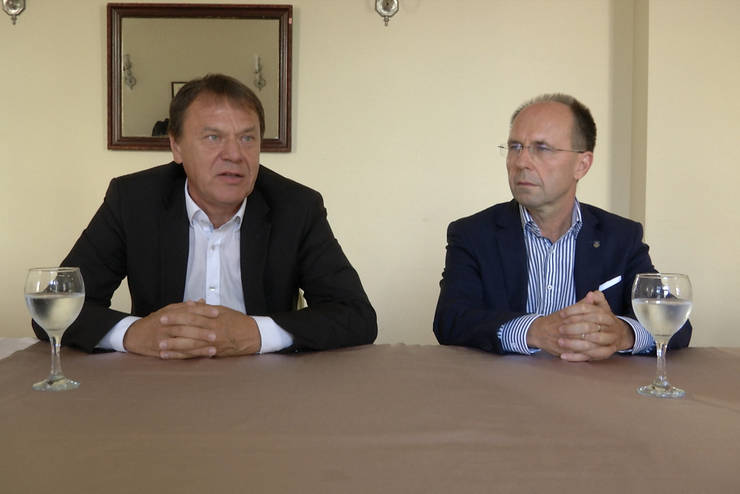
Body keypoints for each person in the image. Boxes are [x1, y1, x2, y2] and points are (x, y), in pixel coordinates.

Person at [33, 74, 377, 359]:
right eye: (213, 137)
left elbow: (356, 315)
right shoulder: (133, 201)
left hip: (266, 388)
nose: (234, 155)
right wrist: (133, 333)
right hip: (156, 384)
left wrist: (256, 333)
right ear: (176, 146)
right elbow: (54, 308)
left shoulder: (297, 207)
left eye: (247, 138)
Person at [433, 94, 691, 361]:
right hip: (502, 385)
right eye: (515, 147)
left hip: (595, 383)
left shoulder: (621, 237)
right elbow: (449, 320)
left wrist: (624, 334)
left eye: (541, 148)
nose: (521, 162)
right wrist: (533, 331)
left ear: (582, 164)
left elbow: (675, 321)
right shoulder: (473, 234)